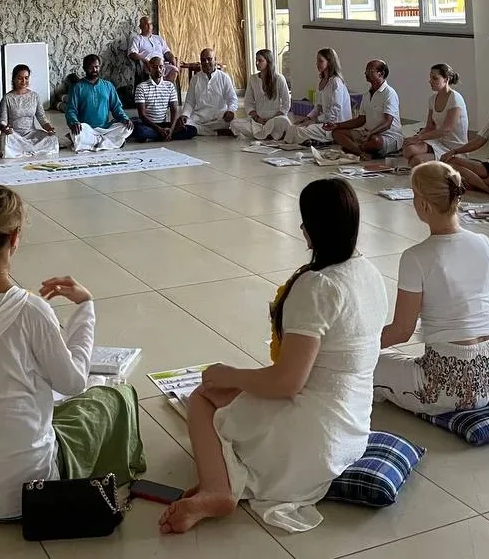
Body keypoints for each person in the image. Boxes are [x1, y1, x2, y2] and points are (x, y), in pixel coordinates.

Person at [158, 179, 388, 535]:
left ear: (312, 228)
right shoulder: (369, 272)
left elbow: (286, 383)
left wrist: (229, 374)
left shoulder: (319, 286)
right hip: (353, 430)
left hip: (313, 440)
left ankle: (217, 490)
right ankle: (222, 484)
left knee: (202, 399)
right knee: (234, 392)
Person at [0, 185, 146, 521]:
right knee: (111, 399)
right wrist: (85, 308)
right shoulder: (33, 310)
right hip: (30, 492)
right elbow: (73, 383)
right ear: (15, 237)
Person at [374, 161, 489, 416]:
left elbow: (401, 332)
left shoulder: (416, 257)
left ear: (423, 204)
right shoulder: (486, 244)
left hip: (453, 390)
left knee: (370, 365)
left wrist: (356, 346)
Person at [329, 60, 403, 158]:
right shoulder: (367, 94)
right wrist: (337, 125)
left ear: (381, 73)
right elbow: (361, 119)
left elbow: (387, 123)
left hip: (387, 136)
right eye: (366, 71)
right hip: (367, 133)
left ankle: (355, 149)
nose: (366, 73)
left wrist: (371, 133)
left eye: (370, 71)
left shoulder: (389, 93)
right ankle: (362, 152)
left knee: (375, 141)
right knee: (337, 133)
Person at [402, 64, 469, 167]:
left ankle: (448, 163)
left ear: (446, 79)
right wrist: (413, 138)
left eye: (435, 78)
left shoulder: (455, 98)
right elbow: (430, 127)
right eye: (430, 78)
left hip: (455, 147)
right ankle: (429, 163)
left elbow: (446, 129)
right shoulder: (432, 99)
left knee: (417, 160)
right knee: (409, 150)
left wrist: (419, 138)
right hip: (438, 143)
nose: (430, 81)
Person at [281, 48, 351, 146]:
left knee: (300, 131)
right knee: (293, 127)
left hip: (334, 125)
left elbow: (335, 111)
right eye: (317, 61)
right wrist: (307, 118)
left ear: (329, 62)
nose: (317, 64)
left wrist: (315, 121)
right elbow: (318, 107)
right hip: (324, 121)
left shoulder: (336, 82)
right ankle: (309, 140)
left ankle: (324, 140)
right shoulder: (321, 81)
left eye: (320, 61)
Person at [64, 54, 133, 152]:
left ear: (100, 67)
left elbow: (116, 107)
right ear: (84, 68)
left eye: (96, 67)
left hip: (105, 129)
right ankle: (109, 143)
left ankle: (94, 143)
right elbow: (71, 110)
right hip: (86, 129)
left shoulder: (108, 86)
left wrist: (125, 119)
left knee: (126, 127)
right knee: (77, 133)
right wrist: (74, 122)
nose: (94, 70)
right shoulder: (77, 87)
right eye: (90, 67)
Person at [0, 64, 58, 158]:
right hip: (14, 135)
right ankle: (30, 149)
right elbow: (2, 121)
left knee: (52, 138)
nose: (23, 81)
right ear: (14, 79)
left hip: (31, 133)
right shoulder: (7, 98)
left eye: (26, 78)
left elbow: (42, 118)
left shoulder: (34, 96)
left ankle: (25, 149)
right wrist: (5, 129)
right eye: (20, 78)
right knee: (6, 140)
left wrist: (49, 129)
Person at [231, 49, 292, 141]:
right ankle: (271, 135)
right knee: (234, 123)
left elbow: (286, 103)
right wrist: (257, 118)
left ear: (268, 62)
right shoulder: (253, 79)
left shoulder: (279, 78)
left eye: (260, 60)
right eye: (256, 60)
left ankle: (263, 134)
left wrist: (272, 118)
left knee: (284, 121)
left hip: (275, 119)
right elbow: (248, 102)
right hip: (258, 121)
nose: (257, 63)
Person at [131, 56, 196, 142]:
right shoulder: (141, 87)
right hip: (149, 125)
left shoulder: (170, 86)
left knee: (192, 130)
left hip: (164, 124)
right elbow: (142, 115)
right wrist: (159, 129)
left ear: (164, 69)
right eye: (154, 67)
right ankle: (164, 134)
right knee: (140, 131)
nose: (158, 69)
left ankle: (164, 134)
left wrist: (171, 129)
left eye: (161, 67)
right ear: (149, 69)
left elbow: (174, 111)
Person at [181, 48, 239, 137]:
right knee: (185, 124)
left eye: (209, 59)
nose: (206, 62)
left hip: (219, 116)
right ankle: (217, 132)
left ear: (215, 60)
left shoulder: (224, 77)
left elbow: (232, 99)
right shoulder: (195, 79)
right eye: (203, 60)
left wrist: (230, 110)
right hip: (201, 116)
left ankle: (202, 131)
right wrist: (185, 114)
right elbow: (190, 101)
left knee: (234, 122)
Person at [128, 15, 179, 83]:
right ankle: (157, 90)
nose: (149, 26)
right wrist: (146, 61)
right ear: (140, 27)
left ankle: (167, 90)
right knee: (156, 71)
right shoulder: (137, 39)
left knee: (174, 70)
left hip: (162, 65)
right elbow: (132, 53)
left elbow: (166, 51)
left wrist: (172, 57)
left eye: (150, 24)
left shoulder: (158, 38)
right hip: (149, 66)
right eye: (146, 24)